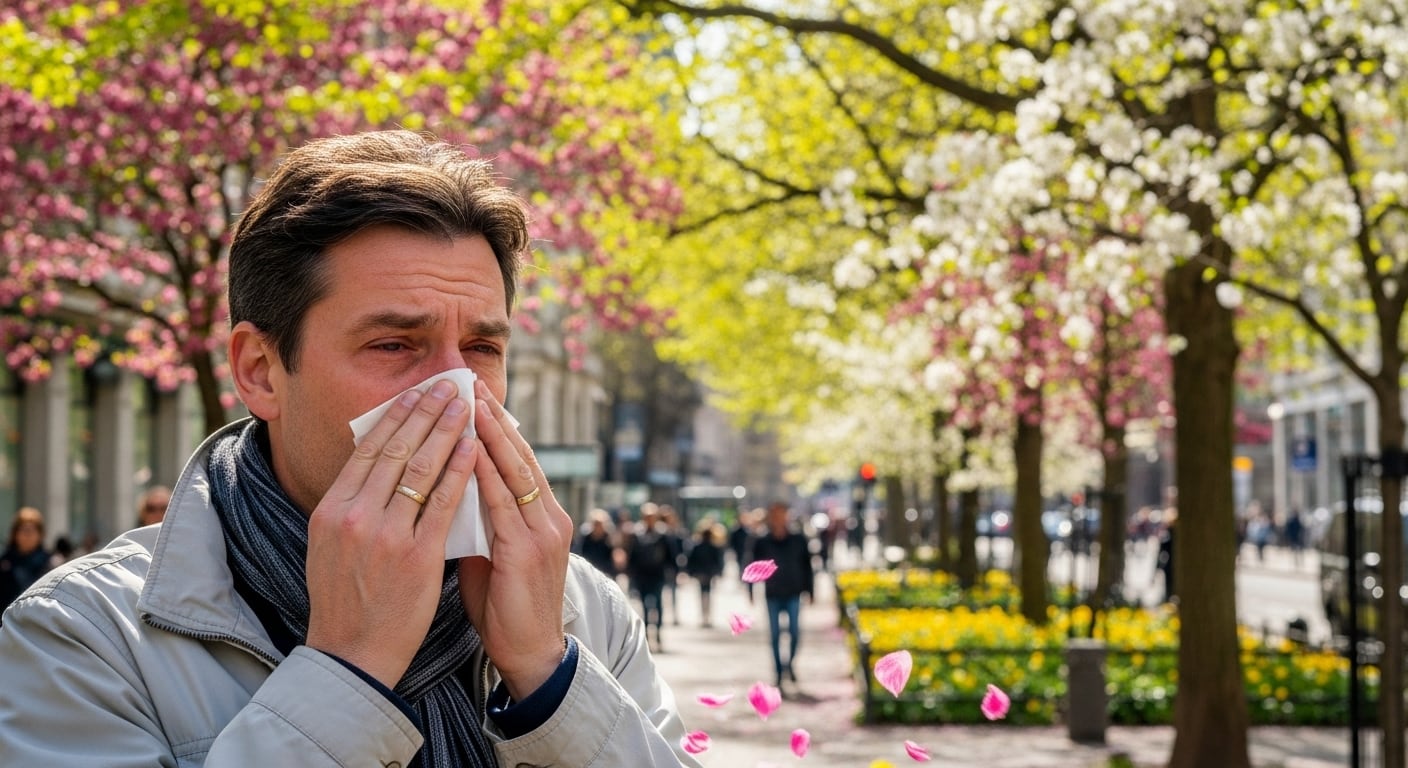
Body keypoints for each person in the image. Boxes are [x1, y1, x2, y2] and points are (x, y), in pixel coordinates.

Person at [0, 130, 698, 767]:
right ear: (260, 372)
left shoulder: (582, 612)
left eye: (481, 348)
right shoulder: (81, 638)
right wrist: (348, 671)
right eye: (394, 345)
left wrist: (549, 679)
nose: (455, 393)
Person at [749, 501, 814, 690]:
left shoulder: (798, 539)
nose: (779, 518)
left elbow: (808, 567)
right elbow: (752, 566)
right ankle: (778, 672)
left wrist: (810, 591)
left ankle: (790, 665)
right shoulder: (761, 540)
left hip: (794, 592)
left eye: (782, 514)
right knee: (775, 635)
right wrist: (750, 590)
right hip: (773, 594)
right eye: (775, 514)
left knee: (794, 633)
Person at [624, 504, 672, 651]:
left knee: (657, 605)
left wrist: (673, 571)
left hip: (657, 575)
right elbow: (632, 555)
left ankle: (658, 635)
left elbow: (670, 554)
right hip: (642, 575)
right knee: (644, 606)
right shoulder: (637, 534)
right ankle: (646, 638)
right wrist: (630, 573)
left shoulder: (662, 534)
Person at [0, 508, 52, 615]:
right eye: (23, 530)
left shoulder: (50, 563)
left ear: (40, 535)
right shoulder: (5, 562)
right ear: (15, 534)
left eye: (31, 531)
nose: (27, 535)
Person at [684, 519, 725, 627]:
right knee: (707, 595)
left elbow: (691, 560)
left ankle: (705, 616)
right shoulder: (712, 547)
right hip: (708, 574)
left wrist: (692, 572)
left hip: (703, 574)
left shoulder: (698, 546)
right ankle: (706, 616)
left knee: (703, 595)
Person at [572, 508, 618, 578]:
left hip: (605, 576)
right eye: (596, 524)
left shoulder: (609, 540)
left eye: (600, 524)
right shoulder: (585, 539)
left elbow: (614, 559)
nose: (598, 527)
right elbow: (578, 554)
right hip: (588, 575)